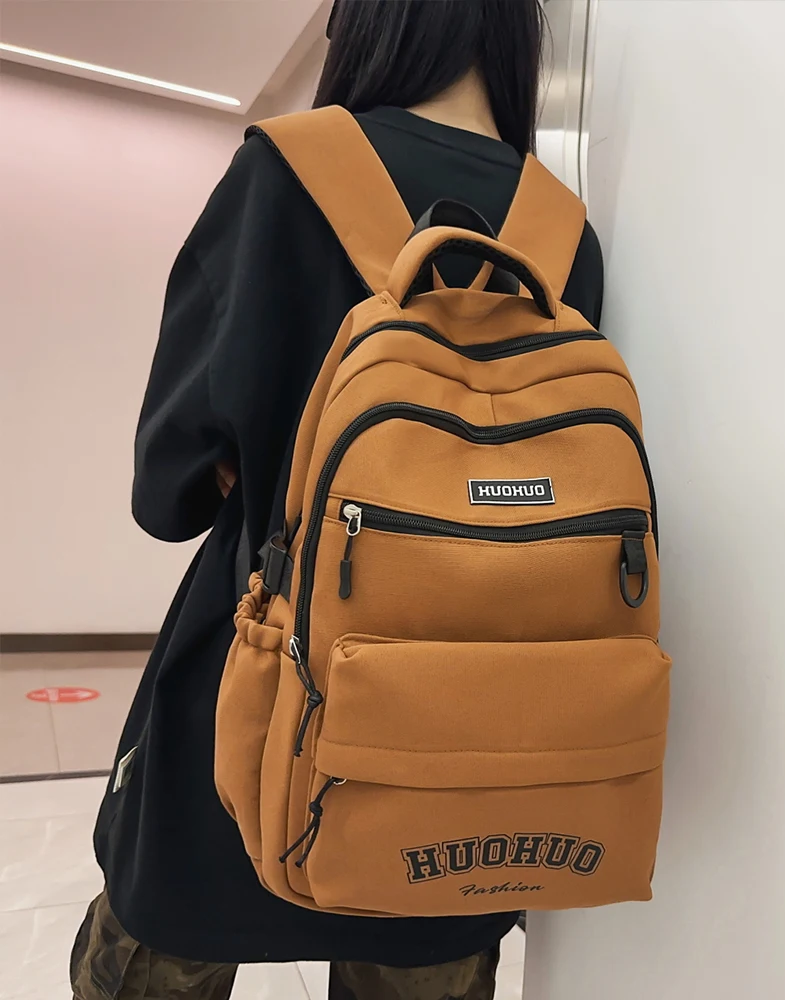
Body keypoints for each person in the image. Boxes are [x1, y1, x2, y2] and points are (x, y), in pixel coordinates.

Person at [70, 1, 603, 997]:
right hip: (461, 746)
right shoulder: (564, 235)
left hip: (247, 706)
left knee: (148, 960)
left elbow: (167, 490)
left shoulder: (283, 175)